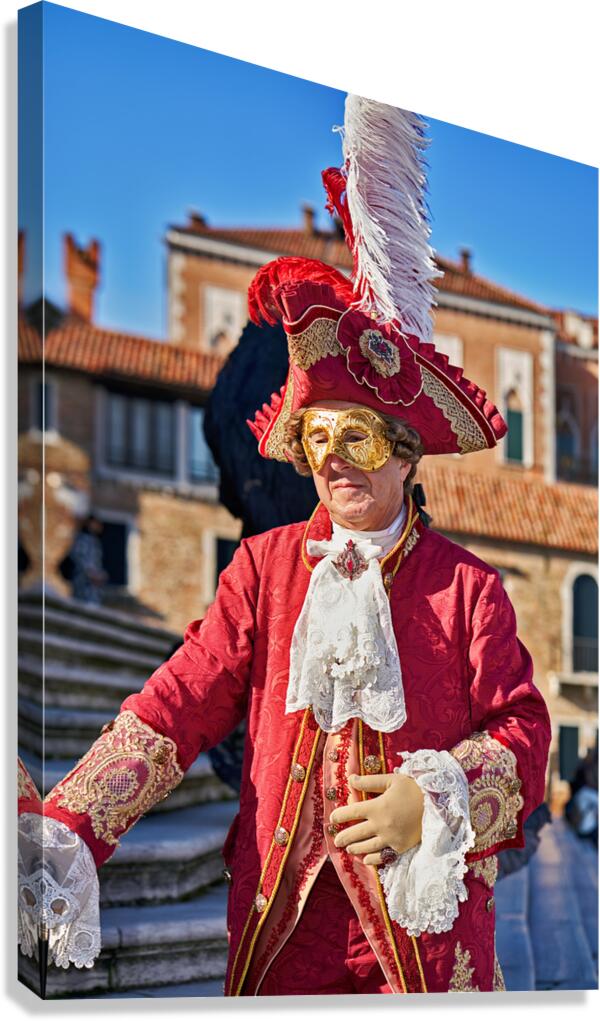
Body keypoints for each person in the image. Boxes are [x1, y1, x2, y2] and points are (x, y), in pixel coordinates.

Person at [19, 95, 551, 996]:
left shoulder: (470, 591)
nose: (334, 461)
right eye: (317, 438)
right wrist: (72, 821)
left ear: (407, 451)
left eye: (360, 438)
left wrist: (435, 796)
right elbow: (178, 701)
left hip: (419, 953)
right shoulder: (263, 570)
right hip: (280, 939)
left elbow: (527, 733)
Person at [64, 514, 108, 606]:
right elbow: (80, 559)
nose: (99, 527)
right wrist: (92, 574)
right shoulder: (83, 539)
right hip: (83, 584)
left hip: (93, 589)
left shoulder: (94, 541)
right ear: (89, 523)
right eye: (96, 523)